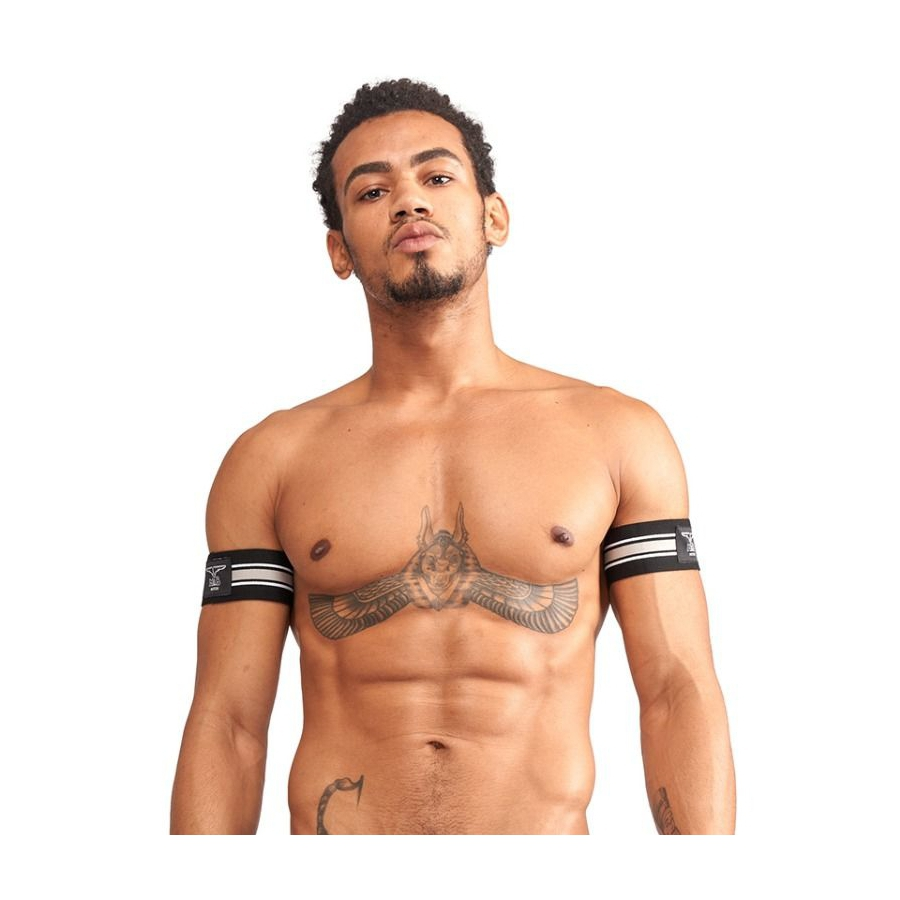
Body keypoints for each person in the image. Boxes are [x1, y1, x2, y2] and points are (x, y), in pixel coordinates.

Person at [170, 79, 736, 835]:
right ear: (339, 249)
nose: (408, 202)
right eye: (373, 192)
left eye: (436, 178)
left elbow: (676, 690)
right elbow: (229, 722)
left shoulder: (615, 436)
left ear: (493, 216)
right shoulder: (272, 459)